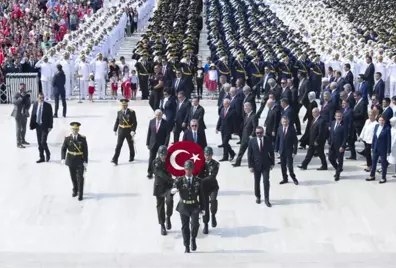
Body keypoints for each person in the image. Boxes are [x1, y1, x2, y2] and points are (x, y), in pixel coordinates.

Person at [170, 160, 204, 253]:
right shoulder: (179, 180)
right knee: (185, 227)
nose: (188, 171)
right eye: (186, 169)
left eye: (190, 169)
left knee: (195, 224)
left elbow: (202, 196)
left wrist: (203, 208)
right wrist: (172, 191)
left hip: (194, 206)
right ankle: (186, 245)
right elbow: (173, 189)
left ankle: (193, 238)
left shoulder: (198, 181)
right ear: (184, 169)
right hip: (184, 206)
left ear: (192, 169)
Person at [247, 126, 275, 207]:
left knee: (266, 182)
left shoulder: (267, 140)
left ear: (263, 132)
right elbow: (249, 154)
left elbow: (271, 152)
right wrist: (250, 166)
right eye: (257, 133)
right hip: (256, 166)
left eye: (261, 132)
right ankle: (258, 196)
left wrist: (272, 163)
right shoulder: (252, 141)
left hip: (266, 165)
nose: (259, 134)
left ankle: (267, 199)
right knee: (257, 182)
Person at [61, 122, 88, 201]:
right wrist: (63, 158)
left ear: (78, 129)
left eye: (76, 129)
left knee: (80, 178)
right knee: (73, 177)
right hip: (71, 160)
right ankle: (75, 190)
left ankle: (80, 193)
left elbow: (85, 150)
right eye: (73, 129)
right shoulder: (67, 138)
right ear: (71, 129)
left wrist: (86, 161)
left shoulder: (82, 138)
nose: (75, 131)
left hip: (80, 160)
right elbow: (63, 148)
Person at [152, 145, 174, 236]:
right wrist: (172, 180)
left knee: (169, 201)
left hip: (168, 187)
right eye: (162, 154)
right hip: (159, 186)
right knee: (160, 206)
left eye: (165, 154)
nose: (163, 156)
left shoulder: (170, 161)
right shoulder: (156, 162)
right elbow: (160, 173)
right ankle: (162, 225)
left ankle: (168, 217)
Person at [111, 99, 137, 166]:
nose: (124, 106)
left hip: (129, 130)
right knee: (118, 145)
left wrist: (133, 130)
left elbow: (135, 123)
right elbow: (117, 121)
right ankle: (115, 159)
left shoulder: (131, 112)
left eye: (125, 105)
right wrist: (115, 129)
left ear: (127, 105)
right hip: (121, 130)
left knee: (130, 144)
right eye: (123, 105)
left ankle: (132, 156)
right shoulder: (119, 112)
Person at [29, 92, 53, 163]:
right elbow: (33, 115)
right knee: (39, 143)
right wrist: (31, 125)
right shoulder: (35, 104)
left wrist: (50, 126)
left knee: (43, 142)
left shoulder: (48, 106)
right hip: (38, 126)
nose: (42, 99)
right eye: (40, 98)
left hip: (45, 126)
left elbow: (50, 117)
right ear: (37, 98)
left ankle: (48, 153)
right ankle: (41, 157)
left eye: (43, 98)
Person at [200, 147, 220, 234]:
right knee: (205, 207)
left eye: (209, 155)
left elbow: (212, 176)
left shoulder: (215, 164)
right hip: (203, 188)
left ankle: (213, 215)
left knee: (213, 201)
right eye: (206, 155)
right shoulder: (200, 163)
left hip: (212, 187)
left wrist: (201, 180)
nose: (207, 157)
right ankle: (205, 224)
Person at [367, 115, 391, 184]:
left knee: (383, 164)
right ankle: (372, 176)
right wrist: (372, 147)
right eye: (380, 120)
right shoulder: (376, 126)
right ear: (378, 120)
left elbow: (389, 140)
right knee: (373, 163)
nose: (381, 121)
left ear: (385, 121)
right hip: (376, 148)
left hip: (383, 149)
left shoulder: (387, 128)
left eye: (383, 120)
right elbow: (374, 138)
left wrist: (388, 150)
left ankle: (383, 177)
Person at [233, 102, 257, 167]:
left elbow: (255, 127)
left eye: (247, 106)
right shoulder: (246, 115)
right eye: (244, 107)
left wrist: (252, 135)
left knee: (251, 152)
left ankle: (252, 164)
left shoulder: (253, 116)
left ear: (251, 107)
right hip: (244, 136)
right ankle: (237, 163)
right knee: (241, 151)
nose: (245, 108)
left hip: (250, 138)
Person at [275, 116, 298, 185]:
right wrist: (276, 150)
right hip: (282, 151)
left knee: (290, 166)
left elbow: (295, 141)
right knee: (283, 166)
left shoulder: (292, 129)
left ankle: (293, 178)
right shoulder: (279, 129)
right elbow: (277, 140)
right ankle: (285, 178)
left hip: (289, 151)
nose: (284, 123)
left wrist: (294, 151)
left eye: (286, 122)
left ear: (288, 122)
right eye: (283, 122)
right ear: (281, 122)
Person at [147, 110, 169, 179]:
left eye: (159, 115)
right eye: (156, 115)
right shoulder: (151, 121)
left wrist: (165, 145)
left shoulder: (165, 123)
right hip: (152, 143)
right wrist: (147, 143)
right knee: (151, 158)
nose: (158, 116)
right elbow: (149, 133)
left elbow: (167, 135)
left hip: (161, 145)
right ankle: (150, 172)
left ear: (162, 115)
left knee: (161, 160)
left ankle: (161, 173)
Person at [328, 111, 347, 181]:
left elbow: (345, 137)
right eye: (337, 116)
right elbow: (331, 133)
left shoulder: (344, 125)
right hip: (332, 144)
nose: (339, 117)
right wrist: (329, 142)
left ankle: (337, 174)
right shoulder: (333, 123)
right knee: (330, 158)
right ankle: (338, 169)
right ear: (335, 117)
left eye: (340, 116)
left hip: (340, 146)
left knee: (340, 160)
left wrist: (343, 146)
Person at [11, 83, 31, 148]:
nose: (22, 89)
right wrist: (20, 98)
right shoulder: (16, 94)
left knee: (24, 128)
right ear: (19, 87)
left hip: (24, 114)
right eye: (21, 88)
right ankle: (18, 143)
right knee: (18, 128)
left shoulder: (26, 95)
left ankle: (23, 140)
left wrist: (27, 109)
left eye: (23, 88)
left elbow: (29, 103)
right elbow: (14, 102)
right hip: (18, 114)